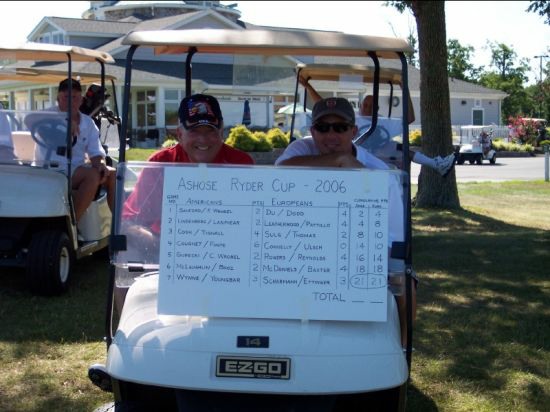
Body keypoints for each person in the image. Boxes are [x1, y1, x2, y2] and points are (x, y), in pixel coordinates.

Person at [275, 97, 416, 347]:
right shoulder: (300, 149)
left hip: (357, 254)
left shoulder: (380, 173)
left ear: (353, 131)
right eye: (323, 128)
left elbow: (392, 238)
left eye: (340, 127)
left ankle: (402, 349)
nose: (331, 135)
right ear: (312, 132)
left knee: (404, 283)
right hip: (301, 250)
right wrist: (337, 160)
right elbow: (279, 172)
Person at [122, 93, 254, 251]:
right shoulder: (160, 164)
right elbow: (129, 222)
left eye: (210, 131)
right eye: (194, 131)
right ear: (179, 134)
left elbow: (252, 222)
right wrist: (164, 247)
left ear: (221, 133)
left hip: (227, 253)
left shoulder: (241, 163)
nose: (203, 139)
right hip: (166, 252)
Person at [34, 78, 115, 222]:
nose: (71, 101)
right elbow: (30, 121)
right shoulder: (47, 115)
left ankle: (121, 224)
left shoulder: (88, 122)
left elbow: (95, 151)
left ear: (82, 100)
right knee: (92, 176)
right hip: (50, 170)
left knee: (113, 174)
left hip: (75, 169)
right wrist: (64, 123)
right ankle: (72, 224)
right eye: (66, 97)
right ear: (58, 99)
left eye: (75, 97)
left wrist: (101, 164)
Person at [358, 94, 456, 176]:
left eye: (372, 107)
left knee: (402, 148)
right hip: (359, 154)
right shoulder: (354, 120)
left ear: (377, 109)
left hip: (381, 153)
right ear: (360, 106)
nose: (368, 109)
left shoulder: (383, 122)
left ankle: (436, 164)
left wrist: (405, 90)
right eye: (365, 105)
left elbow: (409, 118)